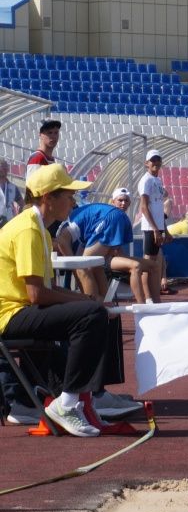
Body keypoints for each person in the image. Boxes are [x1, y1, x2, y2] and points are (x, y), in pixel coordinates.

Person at [0, 164, 111, 437]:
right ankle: (69, 402)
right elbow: (36, 294)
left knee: (95, 314)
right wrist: (84, 299)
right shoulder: (28, 229)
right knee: (92, 314)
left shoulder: (38, 228)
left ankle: (85, 398)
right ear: (48, 197)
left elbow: (42, 291)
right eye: (68, 195)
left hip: (21, 309)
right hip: (10, 314)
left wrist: (84, 300)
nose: (74, 201)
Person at [55, 190, 160, 305]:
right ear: (113, 201)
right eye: (120, 200)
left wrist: (74, 266)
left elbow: (63, 244)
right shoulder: (84, 233)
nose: (123, 203)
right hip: (115, 219)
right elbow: (117, 254)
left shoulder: (64, 233)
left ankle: (95, 305)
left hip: (109, 219)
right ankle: (153, 304)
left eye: (126, 200)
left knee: (84, 266)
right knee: (96, 266)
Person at [137, 149, 171, 297]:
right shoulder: (146, 180)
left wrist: (165, 229)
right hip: (151, 228)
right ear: (147, 163)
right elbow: (144, 207)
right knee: (148, 263)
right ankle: (147, 296)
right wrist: (155, 229)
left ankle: (154, 293)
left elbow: (158, 208)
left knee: (155, 262)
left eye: (158, 160)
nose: (156, 162)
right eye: (153, 160)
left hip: (157, 227)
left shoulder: (157, 180)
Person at [0, 158, 24, 228]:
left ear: (7, 170)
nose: (3, 170)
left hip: (8, 224)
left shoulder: (13, 188)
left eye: (5, 168)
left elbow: (22, 205)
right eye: (1, 167)